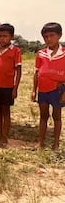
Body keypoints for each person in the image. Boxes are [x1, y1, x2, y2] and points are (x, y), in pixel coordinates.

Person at [31, 22, 65, 150]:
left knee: (57, 116)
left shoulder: (64, 54)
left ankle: (56, 143)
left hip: (58, 90)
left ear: (59, 36)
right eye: (45, 36)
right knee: (43, 116)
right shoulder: (41, 54)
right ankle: (41, 142)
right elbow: (36, 72)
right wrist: (34, 90)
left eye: (52, 35)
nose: (48, 39)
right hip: (43, 89)